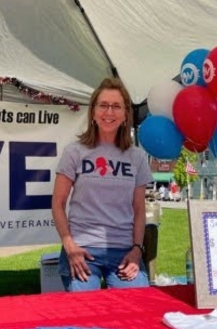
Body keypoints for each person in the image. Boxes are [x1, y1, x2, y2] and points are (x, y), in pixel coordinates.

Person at [51, 77, 152, 292]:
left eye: (116, 106)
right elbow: (57, 204)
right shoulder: (74, 152)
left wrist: (137, 250)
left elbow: (139, 209)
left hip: (125, 253)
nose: (109, 112)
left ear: (126, 114)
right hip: (82, 250)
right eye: (103, 105)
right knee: (86, 315)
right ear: (93, 113)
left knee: (139, 307)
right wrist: (70, 247)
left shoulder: (137, 157)